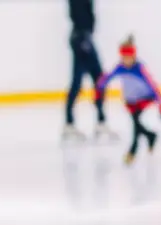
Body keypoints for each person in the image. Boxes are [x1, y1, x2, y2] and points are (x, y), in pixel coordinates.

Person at [95, 36, 161, 166]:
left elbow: (153, 86)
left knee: (135, 126)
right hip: (130, 101)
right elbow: (107, 78)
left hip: (143, 99)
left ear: (134, 56)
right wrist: (99, 88)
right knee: (137, 125)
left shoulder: (140, 69)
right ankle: (151, 136)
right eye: (123, 58)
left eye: (128, 58)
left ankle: (132, 153)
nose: (126, 61)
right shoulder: (120, 67)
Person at [63, 0, 117, 141]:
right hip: (81, 38)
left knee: (97, 80)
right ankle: (72, 123)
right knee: (81, 82)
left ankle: (99, 121)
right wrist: (83, 39)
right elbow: (78, 14)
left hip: (84, 36)